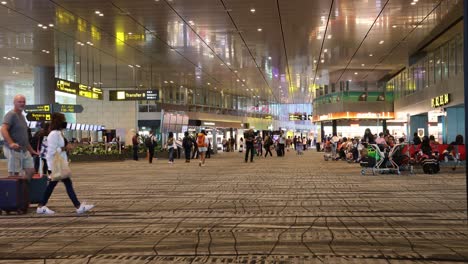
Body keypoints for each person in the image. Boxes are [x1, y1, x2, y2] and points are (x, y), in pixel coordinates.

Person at [36, 112, 94, 215]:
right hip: (55, 165)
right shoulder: (54, 134)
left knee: (57, 185)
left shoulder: (58, 133)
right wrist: (64, 148)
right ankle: (77, 206)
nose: (65, 122)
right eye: (63, 120)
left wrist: (66, 148)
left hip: (59, 164)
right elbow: (51, 152)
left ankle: (42, 206)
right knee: (63, 184)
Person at [1, 94, 38, 178]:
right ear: (14, 103)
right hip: (13, 150)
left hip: (24, 150)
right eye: (19, 102)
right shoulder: (11, 115)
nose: (22, 103)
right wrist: (11, 143)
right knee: (14, 174)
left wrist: (31, 150)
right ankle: (15, 190)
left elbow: (24, 137)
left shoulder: (22, 116)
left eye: (23, 102)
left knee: (31, 171)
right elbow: (3, 129)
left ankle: (23, 189)